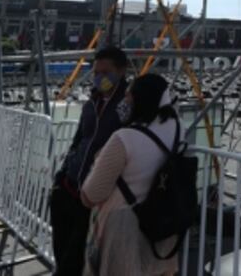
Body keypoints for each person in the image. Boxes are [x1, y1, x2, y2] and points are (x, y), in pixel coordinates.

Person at [81, 73, 181, 275]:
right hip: (163, 224)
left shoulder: (123, 139)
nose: (123, 101)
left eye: (128, 96)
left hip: (124, 229)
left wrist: (97, 162)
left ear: (140, 100)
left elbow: (90, 195)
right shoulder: (177, 128)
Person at [50, 46, 130, 276]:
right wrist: (62, 175)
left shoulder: (127, 105)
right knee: (62, 245)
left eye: (106, 72)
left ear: (121, 71)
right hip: (69, 186)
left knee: (74, 259)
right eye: (96, 72)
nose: (100, 78)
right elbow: (79, 140)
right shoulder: (92, 102)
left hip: (94, 196)